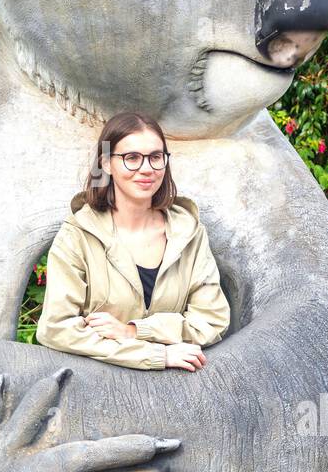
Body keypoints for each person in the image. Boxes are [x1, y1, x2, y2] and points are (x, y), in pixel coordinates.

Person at [36, 111, 231, 370]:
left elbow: (211, 320)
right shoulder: (77, 235)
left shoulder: (188, 232)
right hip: (100, 390)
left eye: (155, 157)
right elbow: (55, 328)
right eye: (131, 158)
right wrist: (155, 355)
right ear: (106, 164)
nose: (146, 169)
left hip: (177, 391)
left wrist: (134, 331)